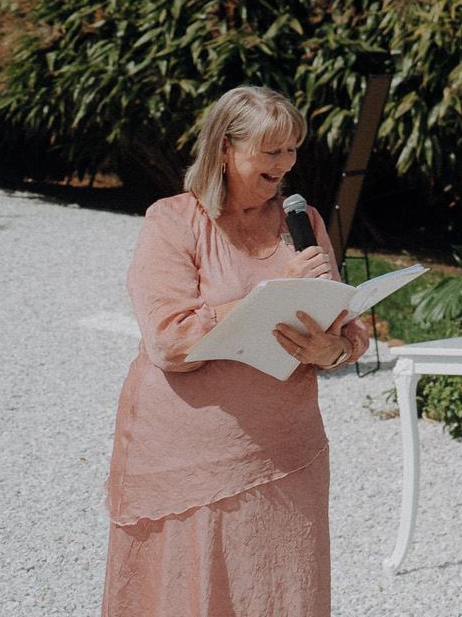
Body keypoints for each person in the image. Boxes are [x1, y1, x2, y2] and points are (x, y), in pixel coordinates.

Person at [103, 85, 370, 617]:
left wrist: (331, 348)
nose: (286, 163)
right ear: (225, 148)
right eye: (272, 150)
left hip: (287, 450)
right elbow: (168, 338)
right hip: (188, 453)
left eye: (292, 148)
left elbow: (349, 327)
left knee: (281, 589)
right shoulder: (173, 220)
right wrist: (270, 291)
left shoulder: (305, 222)